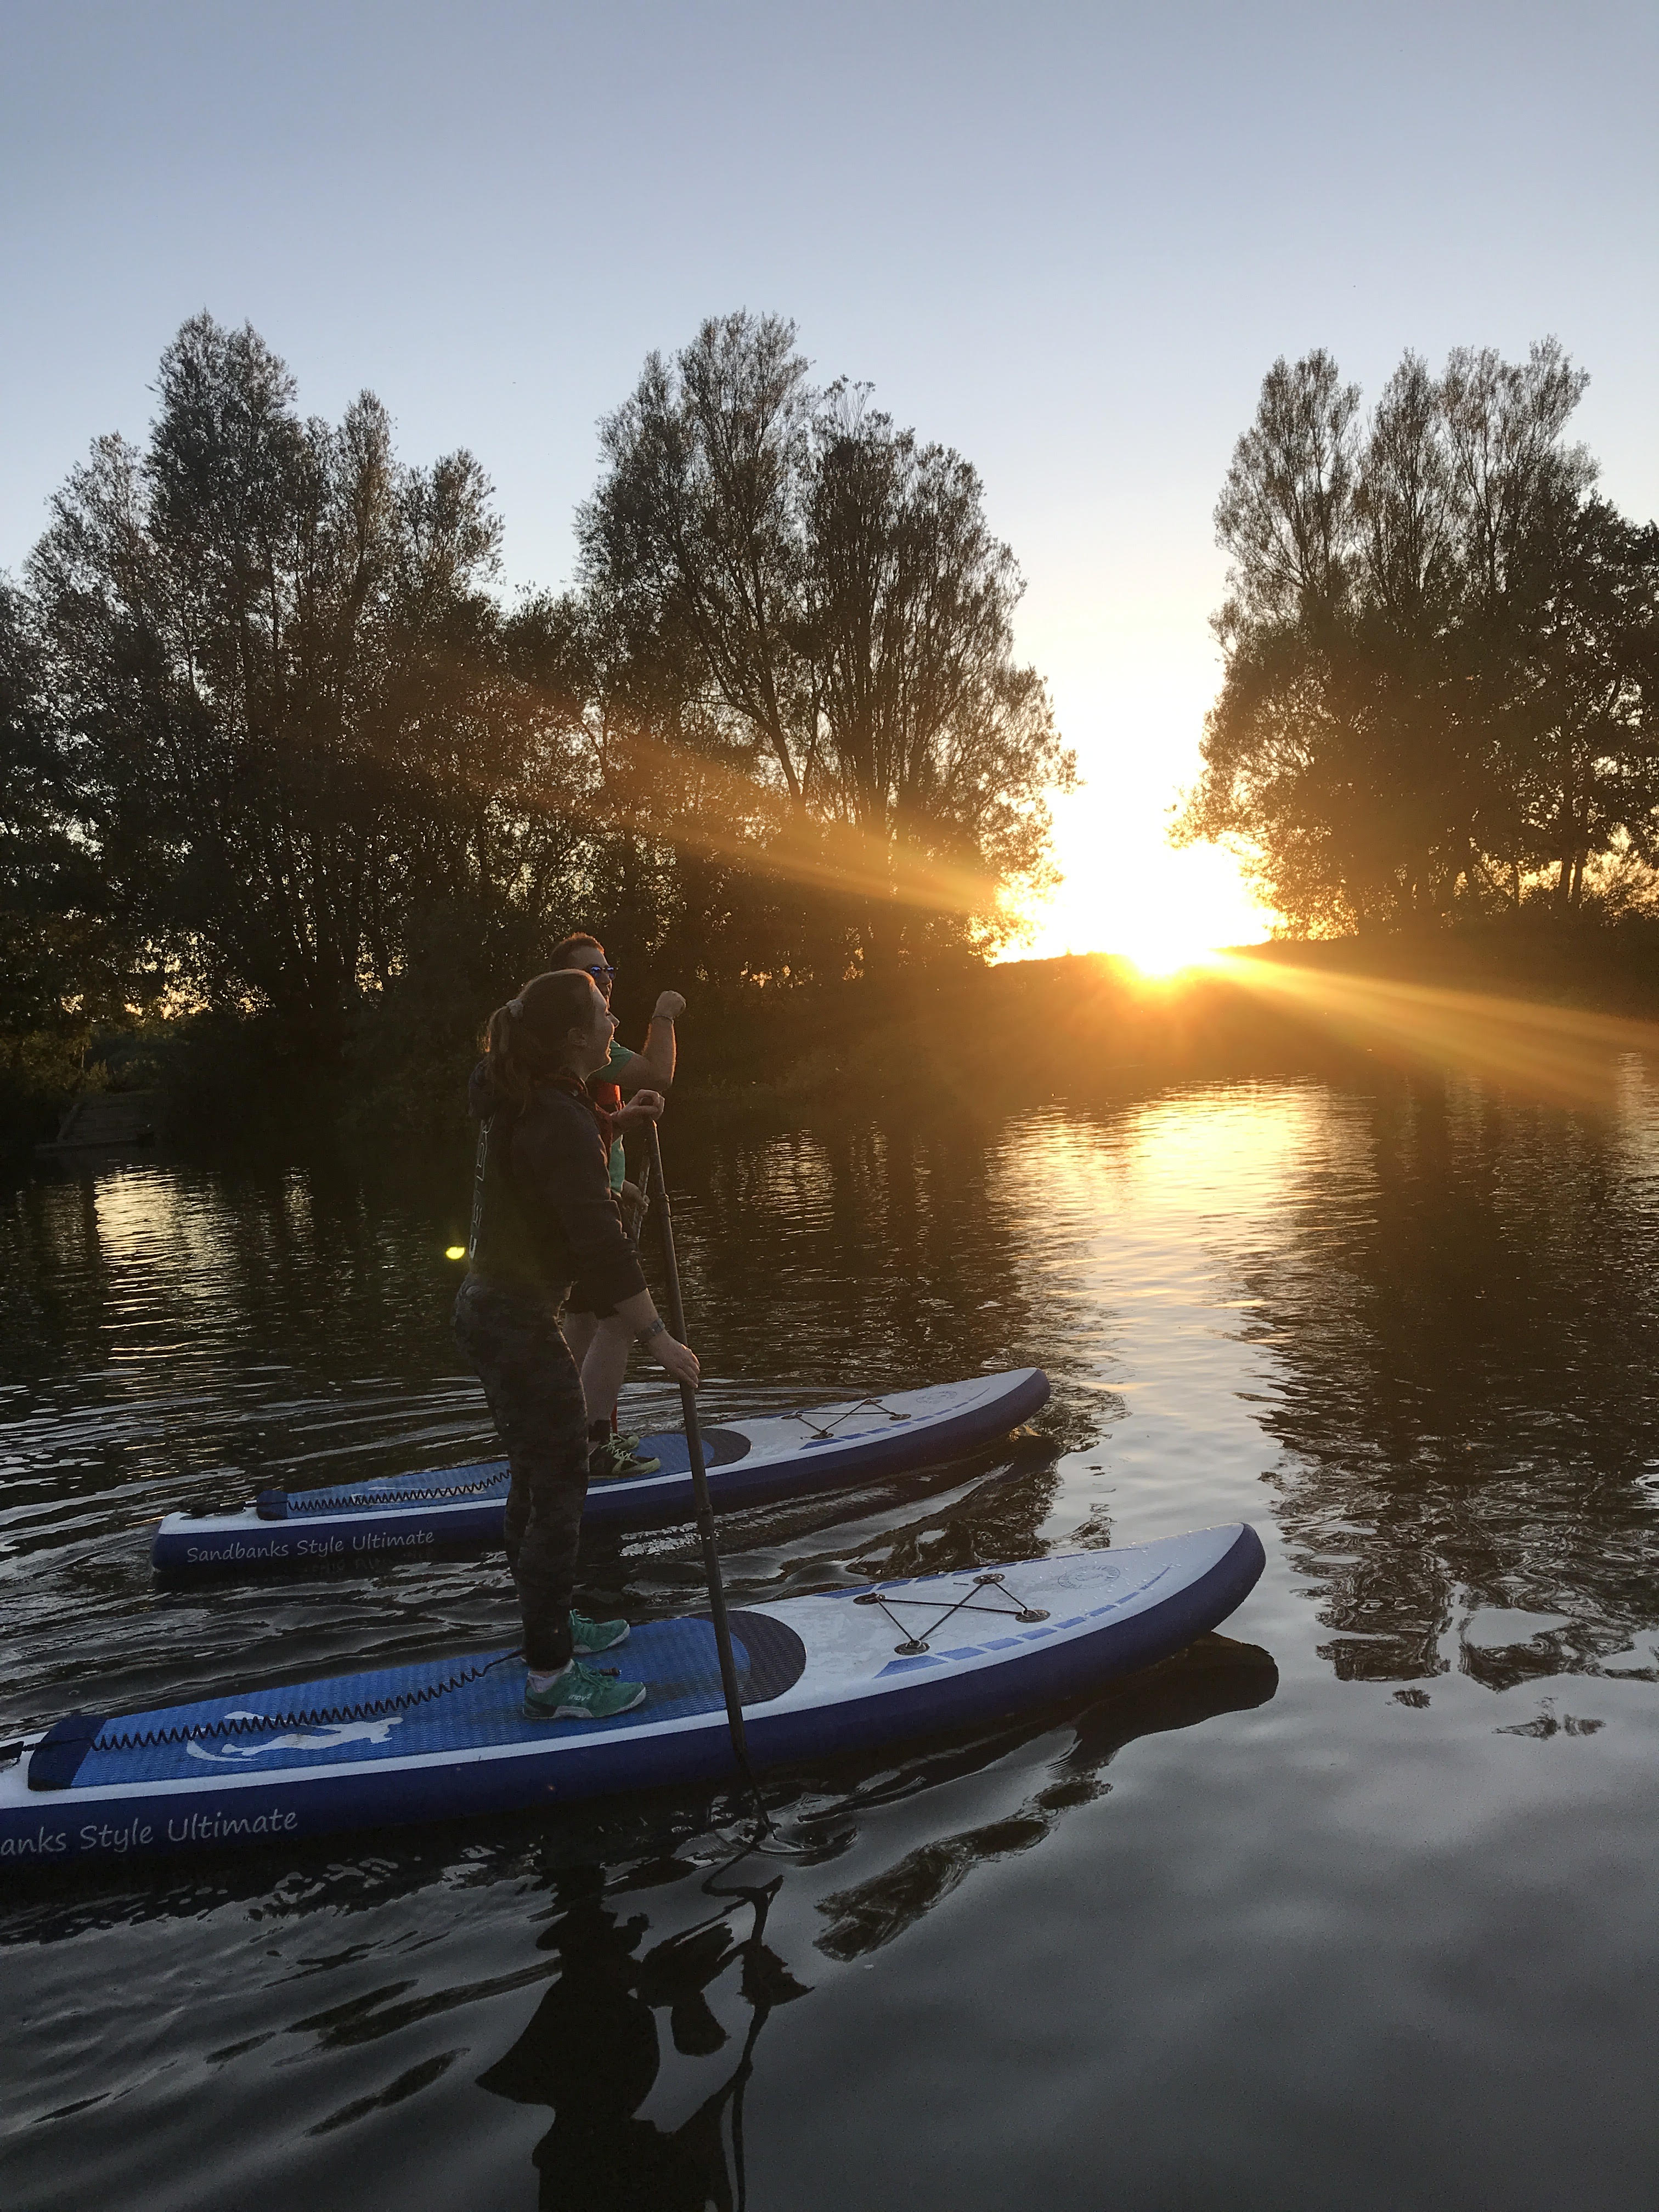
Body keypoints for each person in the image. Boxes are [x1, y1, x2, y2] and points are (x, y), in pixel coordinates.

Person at [454, 966, 701, 1722]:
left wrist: (616, 1130)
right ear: (572, 1035)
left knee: (536, 1478)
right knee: (560, 1484)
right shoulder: (556, 1115)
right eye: (601, 1010)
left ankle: (551, 1630)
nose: (612, 1016)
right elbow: (599, 1250)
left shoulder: (544, 1105)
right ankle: (551, 1679)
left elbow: (555, 1181)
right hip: (514, 1321)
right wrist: (657, 1337)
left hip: (495, 1315)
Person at [548, 934, 686, 1480]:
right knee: (620, 1323)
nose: (604, 977)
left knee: (582, 1321)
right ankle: (590, 1448)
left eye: (607, 968)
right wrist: (665, 1015)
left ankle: (564, 1436)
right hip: (588, 1209)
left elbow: (580, 1126)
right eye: (590, 971)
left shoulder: (580, 1040)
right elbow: (659, 1073)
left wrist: (621, 1130)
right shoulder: (584, 1038)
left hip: (594, 1197)